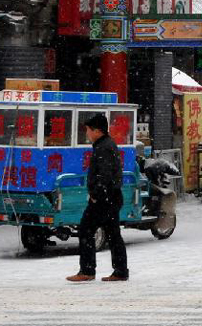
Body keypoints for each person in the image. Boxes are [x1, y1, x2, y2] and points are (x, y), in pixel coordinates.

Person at [66, 113, 129, 282]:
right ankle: (120, 271)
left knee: (86, 230)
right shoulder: (105, 145)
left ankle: (87, 270)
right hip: (111, 198)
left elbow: (105, 175)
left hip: (104, 199)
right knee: (113, 234)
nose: (87, 133)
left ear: (97, 131)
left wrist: (96, 195)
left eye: (88, 130)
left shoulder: (104, 147)